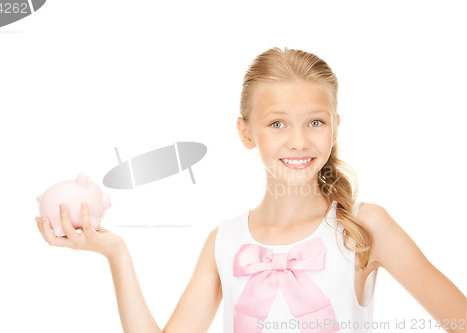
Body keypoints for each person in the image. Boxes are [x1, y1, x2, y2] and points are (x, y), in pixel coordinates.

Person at [35, 47, 466, 333]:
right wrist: (117, 254)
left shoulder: (364, 228)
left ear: (335, 128)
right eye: (277, 123)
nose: (298, 141)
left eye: (315, 121)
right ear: (246, 132)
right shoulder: (224, 241)